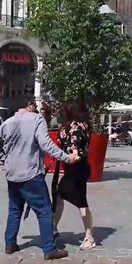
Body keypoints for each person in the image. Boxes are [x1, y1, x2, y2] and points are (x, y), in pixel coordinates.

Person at [0, 99, 80, 260]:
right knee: (44, 210)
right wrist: (67, 158)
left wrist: (5, 159)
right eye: (36, 107)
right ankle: (49, 249)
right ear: (30, 105)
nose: (37, 110)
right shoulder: (37, 119)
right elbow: (46, 144)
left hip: (12, 173)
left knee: (15, 209)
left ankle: (10, 244)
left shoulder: (8, 122)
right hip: (30, 173)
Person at [52, 102, 96, 251]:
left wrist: (71, 155)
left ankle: (89, 237)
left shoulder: (74, 126)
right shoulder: (85, 125)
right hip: (79, 167)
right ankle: (54, 228)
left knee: (79, 202)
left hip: (74, 167)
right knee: (61, 196)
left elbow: (74, 148)